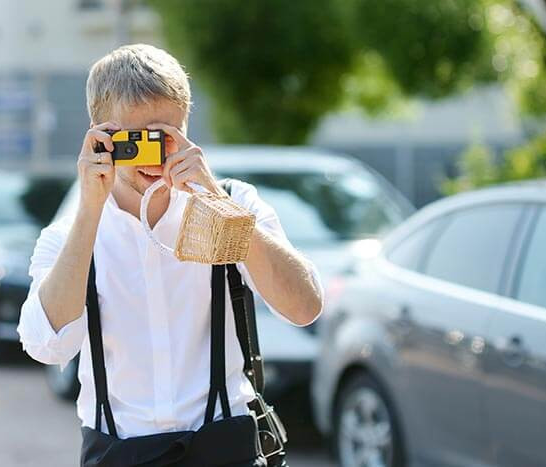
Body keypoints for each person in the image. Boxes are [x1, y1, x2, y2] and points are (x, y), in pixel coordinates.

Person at [17, 43, 324, 466]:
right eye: (137, 140)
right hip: (119, 451)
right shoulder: (70, 235)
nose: (155, 156)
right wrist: (90, 208)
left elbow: (304, 306)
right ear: (101, 135)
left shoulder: (235, 202)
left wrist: (216, 201)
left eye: (167, 136)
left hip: (225, 446)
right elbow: (45, 346)